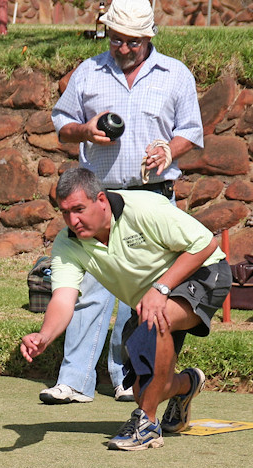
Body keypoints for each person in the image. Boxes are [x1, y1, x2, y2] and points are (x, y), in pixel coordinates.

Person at [42, 0, 203, 406]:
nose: (123, 48)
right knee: (90, 288)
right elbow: (62, 126)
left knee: (141, 293)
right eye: (116, 39)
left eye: (132, 42)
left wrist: (169, 150)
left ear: (148, 37)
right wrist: (85, 130)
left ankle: (126, 379)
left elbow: (191, 131)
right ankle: (74, 380)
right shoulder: (89, 71)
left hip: (152, 198)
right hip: (100, 197)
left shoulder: (175, 74)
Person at [21, 168, 230, 451]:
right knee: (144, 391)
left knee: (158, 318)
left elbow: (205, 244)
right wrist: (45, 336)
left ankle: (147, 426)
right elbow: (63, 299)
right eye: (65, 212)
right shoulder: (67, 243)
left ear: (101, 200)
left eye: (79, 209)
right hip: (149, 300)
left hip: (203, 271)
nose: (73, 220)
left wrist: (161, 288)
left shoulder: (143, 208)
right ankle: (187, 384)